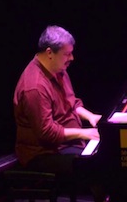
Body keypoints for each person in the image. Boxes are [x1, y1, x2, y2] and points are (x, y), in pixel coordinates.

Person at [13, 25, 100, 178]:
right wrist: (84, 133)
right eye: (67, 54)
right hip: (44, 153)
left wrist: (91, 116)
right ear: (49, 53)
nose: (72, 58)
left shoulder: (59, 70)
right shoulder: (35, 87)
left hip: (66, 145)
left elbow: (71, 103)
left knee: (108, 155)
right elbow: (47, 133)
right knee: (96, 166)